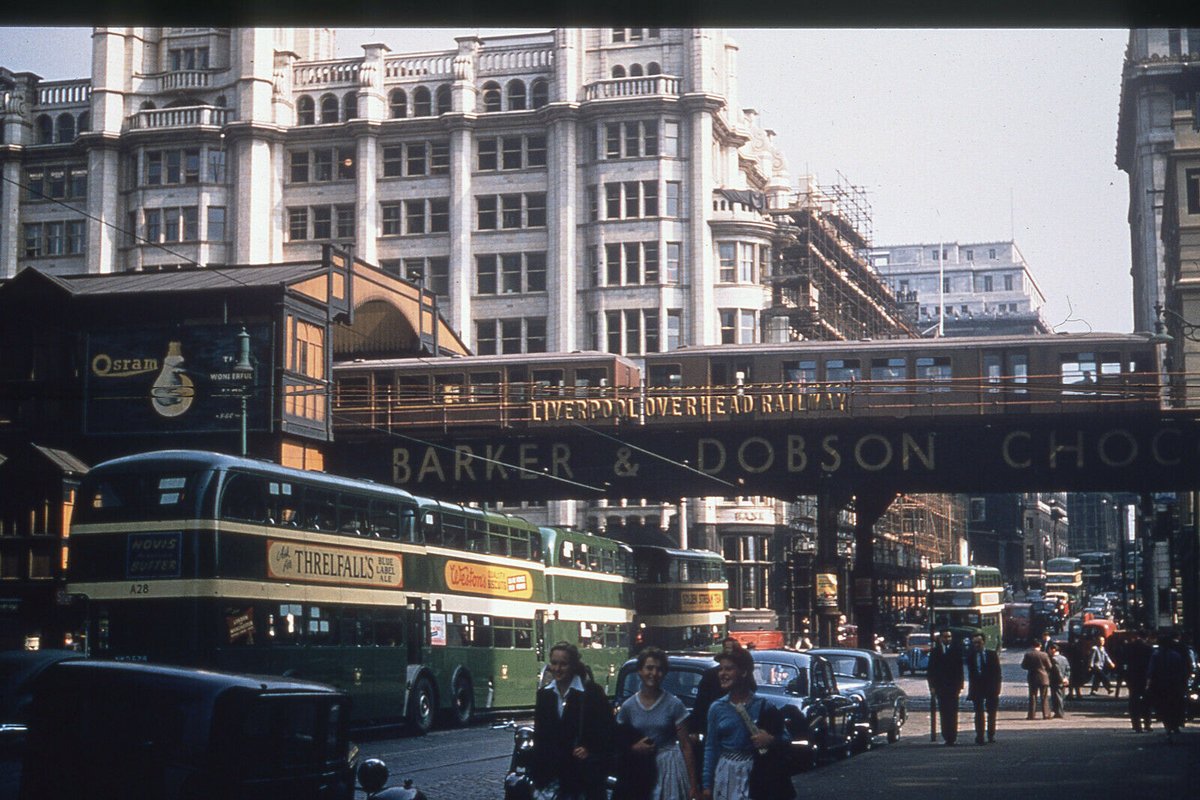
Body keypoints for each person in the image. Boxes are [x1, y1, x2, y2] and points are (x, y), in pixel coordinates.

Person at [701, 646, 792, 800]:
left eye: (728, 669)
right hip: (726, 774)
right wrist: (707, 786)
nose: (722, 674)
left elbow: (786, 738)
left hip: (757, 776)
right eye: (720, 669)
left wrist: (770, 740)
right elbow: (711, 748)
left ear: (743, 672)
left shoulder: (764, 706)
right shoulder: (717, 708)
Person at [529, 642, 614, 800]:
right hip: (552, 776)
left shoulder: (591, 693)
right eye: (554, 663)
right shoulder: (544, 695)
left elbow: (607, 730)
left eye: (563, 664)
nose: (557, 669)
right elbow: (540, 735)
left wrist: (590, 748)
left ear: (573, 665)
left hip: (581, 777)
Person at [614, 648, 698, 800]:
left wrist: (693, 785)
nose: (654, 673)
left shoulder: (674, 705)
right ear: (640, 670)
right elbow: (618, 741)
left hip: (668, 767)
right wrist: (633, 748)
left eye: (659, 669)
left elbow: (686, 746)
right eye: (649, 668)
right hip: (639, 769)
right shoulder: (628, 707)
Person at [1146, 632, 1189, 743]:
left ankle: (1167, 727)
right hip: (1174, 684)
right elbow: (1182, 671)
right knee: (1174, 705)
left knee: (1162, 706)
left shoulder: (1156, 655)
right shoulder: (1176, 655)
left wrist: (1148, 684)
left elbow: (1151, 671)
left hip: (1160, 685)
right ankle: (1175, 724)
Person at [926, 628, 964, 745]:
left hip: (953, 687)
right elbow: (931, 670)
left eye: (949, 637)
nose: (948, 639)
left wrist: (960, 685)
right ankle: (946, 735)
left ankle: (952, 736)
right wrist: (932, 686)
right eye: (945, 637)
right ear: (941, 638)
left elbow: (960, 670)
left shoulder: (956, 650)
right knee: (943, 712)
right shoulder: (935, 651)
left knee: (953, 712)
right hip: (940, 687)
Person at [965, 634, 1002, 743]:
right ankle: (980, 735)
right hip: (977, 688)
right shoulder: (971, 656)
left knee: (991, 713)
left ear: (983, 643)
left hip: (991, 687)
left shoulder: (992, 654)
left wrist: (997, 687)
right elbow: (971, 674)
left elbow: (997, 672)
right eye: (974, 643)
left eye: (979, 643)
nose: (976, 645)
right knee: (978, 713)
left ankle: (991, 734)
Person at [1123, 629, 1154, 733]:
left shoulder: (1130, 647)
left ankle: (1136, 725)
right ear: (1147, 637)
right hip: (1145, 677)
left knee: (1134, 701)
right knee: (1147, 701)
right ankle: (1147, 724)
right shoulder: (1149, 648)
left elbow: (1125, 662)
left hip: (1133, 677)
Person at [1020, 640, 1052, 720]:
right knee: (1044, 697)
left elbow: (1023, 666)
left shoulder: (1028, 655)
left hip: (1032, 677)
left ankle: (1031, 715)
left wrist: (1031, 668)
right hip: (1043, 677)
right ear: (1040, 646)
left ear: (1032, 646)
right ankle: (1046, 714)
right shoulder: (1044, 655)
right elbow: (1049, 666)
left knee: (1032, 696)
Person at [1046, 642, 1070, 719]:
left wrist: (1062, 679)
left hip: (1056, 680)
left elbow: (1057, 670)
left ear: (1053, 650)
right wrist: (1066, 678)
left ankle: (1059, 712)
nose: (1049, 651)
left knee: (1057, 697)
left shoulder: (1053, 659)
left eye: (1049, 649)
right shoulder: (1064, 658)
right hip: (1064, 680)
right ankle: (1059, 711)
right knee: (1061, 696)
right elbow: (1068, 669)